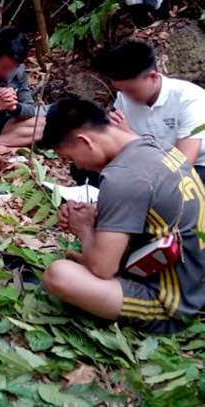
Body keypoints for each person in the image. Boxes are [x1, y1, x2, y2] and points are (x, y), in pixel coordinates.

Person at [38, 98, 205, 334]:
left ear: (85, 141)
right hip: (195, 278)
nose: (78, 166)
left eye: (71, 158)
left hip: (174, 303)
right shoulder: (155, 146)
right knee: (77, 258)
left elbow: (102, 269)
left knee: (59, 275)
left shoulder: (122, 177)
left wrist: (85, 228)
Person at [92, 40, 205, 183]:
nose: (126, 97)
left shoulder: (190, 99)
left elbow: (183, 164)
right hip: (148, 164)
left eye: (131, 91)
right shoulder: (124, 99)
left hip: (195, 166)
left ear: (153, 77)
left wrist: (131, 138)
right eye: (121, 91)